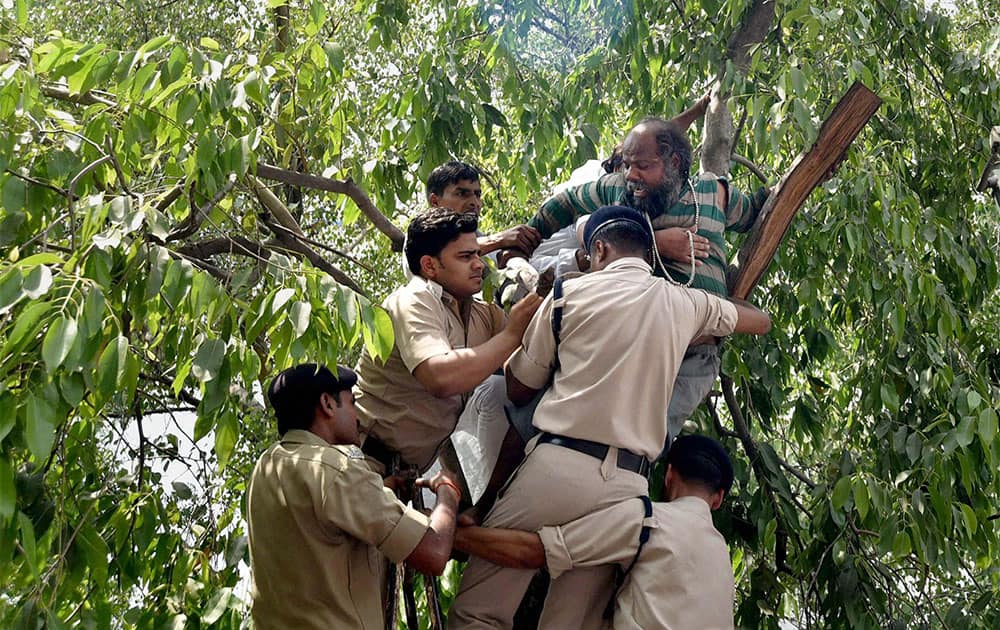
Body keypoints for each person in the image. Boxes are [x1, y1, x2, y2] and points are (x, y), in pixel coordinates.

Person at [448, 206, 770, 629]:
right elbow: (759, 321)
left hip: (556, 467)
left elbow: (519, 387)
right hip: (625, 491)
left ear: (599, 248)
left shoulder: (568, 293)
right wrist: (707, 313)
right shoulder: (685, 302)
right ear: (649, 257)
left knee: (480, 613)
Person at [516, 116, 771, 447]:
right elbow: (566, 203)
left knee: (644, 442)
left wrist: (786, 187)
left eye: (643, 166)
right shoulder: (617, 190)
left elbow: (752, 212)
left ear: (673, 162)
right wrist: (526, 239)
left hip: (694, 355)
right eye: (626, 165)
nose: (632, 175)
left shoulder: (713, 192)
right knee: (570, 427)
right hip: (628, 343)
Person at [246, 363, 462, 629]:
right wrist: (448, 492)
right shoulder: (338, 469)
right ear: (327, 404)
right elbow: (434, 552)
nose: (358, 416)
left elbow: (320, 525)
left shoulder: (267, 466)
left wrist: (384, 490)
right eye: (352, 402)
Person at [453, 434, 738, 629]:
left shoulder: (649, 519)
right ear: (718, 498)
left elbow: (536, 552)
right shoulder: (723, 562)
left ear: (669, 475)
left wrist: (451, 534)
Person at [354, 208, 541, 478]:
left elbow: (534, 350)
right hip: (361, 464)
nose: (478, 264)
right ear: (430, 265)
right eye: (465, 256)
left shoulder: (482, 312)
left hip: (402, 475)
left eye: (477, 253)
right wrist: (511, 335)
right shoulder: (413, 299)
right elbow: (440, 377)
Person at [426, 160, 542, 257]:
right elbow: (439, 252)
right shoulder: (419, 242)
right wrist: (498, 240)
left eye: (477, 195)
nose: (474, 203)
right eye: (462, 194)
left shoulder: (486, 243)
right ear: (435, 202)